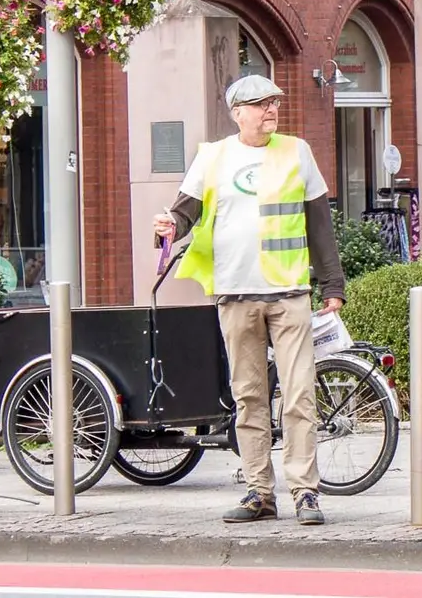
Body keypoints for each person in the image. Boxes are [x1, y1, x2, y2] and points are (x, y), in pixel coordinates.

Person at [152, 74, 346, 526]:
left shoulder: (297, 152)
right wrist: (168, 226)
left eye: (274, 103)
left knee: (299, 396)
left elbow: (319, 223)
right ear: (237, 112)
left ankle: (305, 492)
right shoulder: (214, 157)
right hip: (236, 292)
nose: (271, 111)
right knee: (249, 396)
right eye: (260, 104)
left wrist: (333, 285)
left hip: (289, 292)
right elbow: (185, 212)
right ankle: (260, 492)